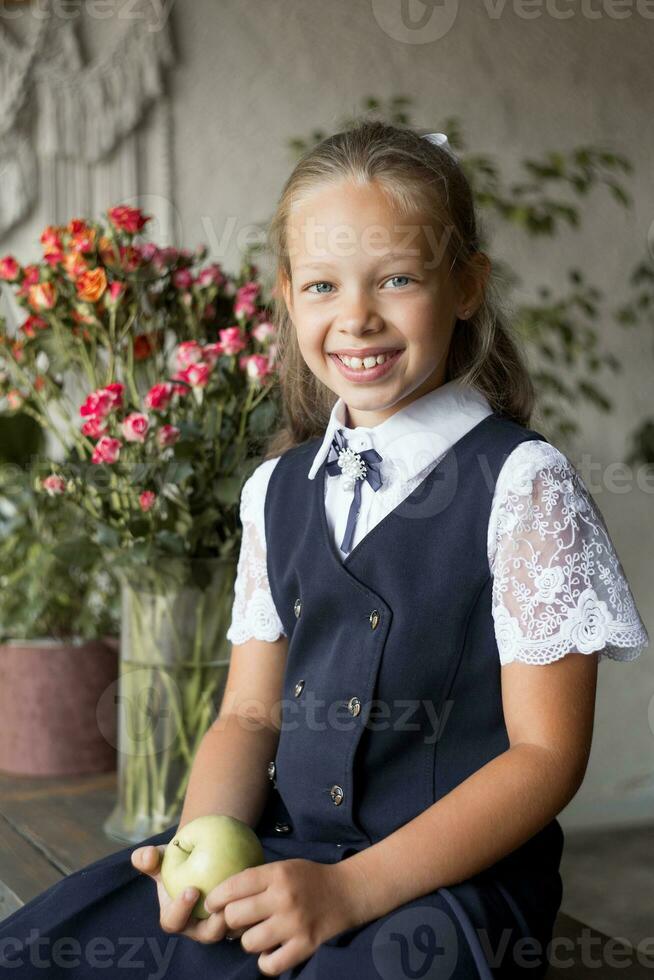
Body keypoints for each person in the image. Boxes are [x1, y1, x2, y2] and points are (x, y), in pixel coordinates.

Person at [0, 120, 648, 980]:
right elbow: (248, 715)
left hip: (442, 894)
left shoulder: (524, 485)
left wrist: (353, 890)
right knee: (47, 951)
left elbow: (545, 758)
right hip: (275, 847)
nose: (357, 317)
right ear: (287, 296)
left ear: (466, 286)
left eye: (398, 278)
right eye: (322, 286)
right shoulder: (278, 488)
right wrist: (198, 852)